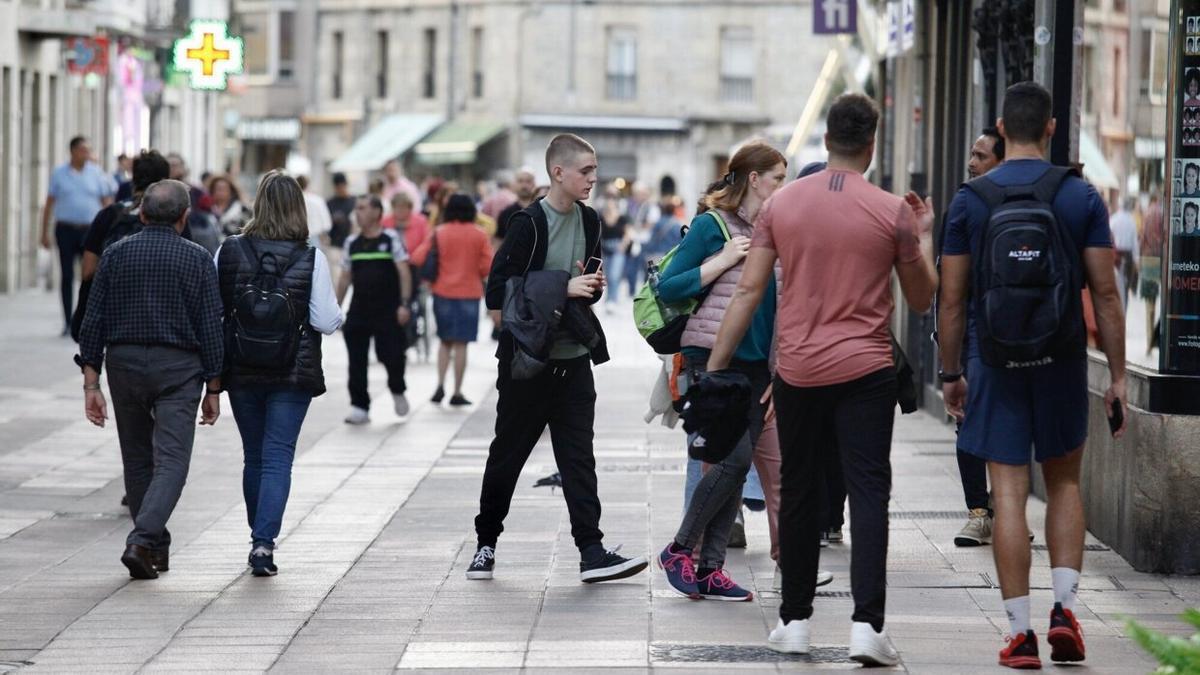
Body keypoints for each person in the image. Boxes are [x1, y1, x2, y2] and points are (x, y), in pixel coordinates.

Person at [707, 94, 936, 665]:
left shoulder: (782, 206)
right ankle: (867, 629)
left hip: (799, 371)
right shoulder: (893, 212)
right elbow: (923, 296)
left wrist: (714, 368)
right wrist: (924, 236)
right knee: (867, 493)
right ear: (873, 144)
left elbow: (749, 290)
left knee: (802, 492)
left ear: (827, 140)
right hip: (866, 372)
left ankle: (795, 622)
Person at [939, 81, 1126, 669]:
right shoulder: (1079, 197)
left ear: (1001, 125)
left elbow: (950, 299)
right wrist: (1118, 376)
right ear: (1050, 128)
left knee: (1009, 493)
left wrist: (951, 372)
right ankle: (1065, 611)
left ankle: (1019, 635)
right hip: (1062, 358)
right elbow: (1105, 292)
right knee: (1064, 483)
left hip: (995, 360)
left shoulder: (970, 200)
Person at [468, 133, 648, 584]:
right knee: (507, 455)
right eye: (586, 170)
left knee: (577, 457)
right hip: (527, 363)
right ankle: (485, 545)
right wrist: (562, 288)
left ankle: (591, 551)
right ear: (558, 173)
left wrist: (591, 285)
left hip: (573, 358)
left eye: (594, 169)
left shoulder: (590, 221)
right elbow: (496, 292)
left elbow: (579, 281)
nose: (594, 178)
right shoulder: (527, 224)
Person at [653, 141, 786, 602]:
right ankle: (679, 550)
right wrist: (721, 261)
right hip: (711, 361)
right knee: (730, 460)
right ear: (753, 179)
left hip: (756, 366)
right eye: (777, 178)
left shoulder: (777, 228)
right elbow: (668, 288)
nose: (782, 188)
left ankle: (710, 568)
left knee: (739, 462)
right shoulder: (712, 226)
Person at [77, 178, 224, 580]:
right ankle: (142, 539)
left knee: (137, 459)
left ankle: (154, 547)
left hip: (123, 366)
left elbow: (93, 320)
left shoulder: (115, 254)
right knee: (172, 460)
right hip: (179, 369)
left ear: (141, 214)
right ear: (184, 217)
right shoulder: (197, 258)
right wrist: (214, 386)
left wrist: (91, 383)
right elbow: (211, 326)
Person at [215, 171, 342, 577]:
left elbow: (215, 310)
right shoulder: (311, 257)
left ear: (258, 203)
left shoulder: (229, 250)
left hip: (241, 367)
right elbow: (324, 320)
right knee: (277, 456)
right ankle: (263, 544)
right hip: (292, 369)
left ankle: (258, 534)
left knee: (254, 455)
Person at [949, 127, 1005, 548]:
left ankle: (1002, 511)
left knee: (1005, 424)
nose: (971, 163)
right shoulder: (968, 202)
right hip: (973, 327)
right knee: (969, 422)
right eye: (971, 153)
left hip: (1014, 332)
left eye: (980, 155)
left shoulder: (970, 202)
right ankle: (979, 512)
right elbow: (949, 287)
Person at [73, 150, 174, 342]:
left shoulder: (108, 215)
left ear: (133, 178)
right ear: (165, 181)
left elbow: (87, 271)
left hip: (115, 319)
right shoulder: (173, 217)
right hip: (160, 322)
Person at [335, 195, 414, 424]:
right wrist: (335, 307)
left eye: (361, 208)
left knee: (391, 354)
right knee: (356, 358)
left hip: (388, 310)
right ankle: (359, 405)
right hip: (359, 309)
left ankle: (397, 388)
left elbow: (404, 273)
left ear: (377, 212)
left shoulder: (390, 239)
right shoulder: (352, 243)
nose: (356, 213)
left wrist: (404, 304)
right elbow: (344, 278)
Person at [410, 194, 493, 406]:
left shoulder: (439, 233)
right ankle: (457, 391)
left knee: (445, 342)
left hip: (443, 293)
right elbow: (487, 267)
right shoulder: (479, 235)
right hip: (469, 294)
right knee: (461, 344)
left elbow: (418, 257)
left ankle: (439, 385)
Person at [41, 136, 116, 335]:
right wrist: (44, 233)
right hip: (65, 229)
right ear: (73, 151)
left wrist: (109, 229)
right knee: (66, 275)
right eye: (83, 150)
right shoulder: (59, 173)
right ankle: (67, 321)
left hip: (89, 231)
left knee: (90, 275)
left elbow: (107, 201)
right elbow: (49, 203)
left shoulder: (97, 174)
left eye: (88, 150)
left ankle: (85, 319)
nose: (87, 154)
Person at [1139, 193, 1165, 355]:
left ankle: (1149, 341)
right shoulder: (1163, 214)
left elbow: (1142, 239)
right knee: (1162, 301)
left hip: (1148, 259)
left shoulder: (1147, 214)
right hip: (1160, 260)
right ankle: (1156, 338)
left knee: (1149, 303)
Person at [599, 192, 629, 310]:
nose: (610, 204)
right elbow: (598, 233)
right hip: (605, 248)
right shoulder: (601, 217)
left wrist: (623, 245)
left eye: (612, 202)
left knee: (614, 275)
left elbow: (628, 232)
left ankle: (613, 299)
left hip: (618, 247)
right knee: (607, 275)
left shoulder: (621, 218)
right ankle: (608, 298)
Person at [1109, 197, 1139, 311]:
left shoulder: (1113, 219)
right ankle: (1123, 312)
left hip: (1115, 256)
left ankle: (1117, 310)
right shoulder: (1131, 221)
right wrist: (1136, 259)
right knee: (1125, 288)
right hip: (1128, 256)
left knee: (1116, 286)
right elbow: (1134, 242)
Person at [496, 168, 538, 243]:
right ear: (514, 184)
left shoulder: (541, 211)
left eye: (528, 181)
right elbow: (499, 242)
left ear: (534, 184)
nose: (524, 185)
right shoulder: (505, 213)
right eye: (520, 181)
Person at [297, 175, 332, 250]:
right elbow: (327, 224)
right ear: (308, 184)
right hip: (315, 238)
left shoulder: (293, 200)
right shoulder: (317, 200)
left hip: (297, 239)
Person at [326, 172, 357, 255]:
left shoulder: (354, 201)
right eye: (338, 187)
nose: (341, 189)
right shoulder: (330, 203)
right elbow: (326, 224)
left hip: (352, 243)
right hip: (335, 244)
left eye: (342, 186)